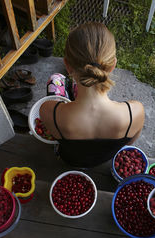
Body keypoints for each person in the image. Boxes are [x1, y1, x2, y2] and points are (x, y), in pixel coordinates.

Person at [39, 22, 144, 168]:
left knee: (56, 79)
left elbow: (52, 133)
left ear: (67, 66)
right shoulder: (135, 112)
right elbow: (130, 142)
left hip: (68, 159)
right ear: (113, 65)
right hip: (102, 161)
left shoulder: (49, 111)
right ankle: (82, 87)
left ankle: (79, 87)